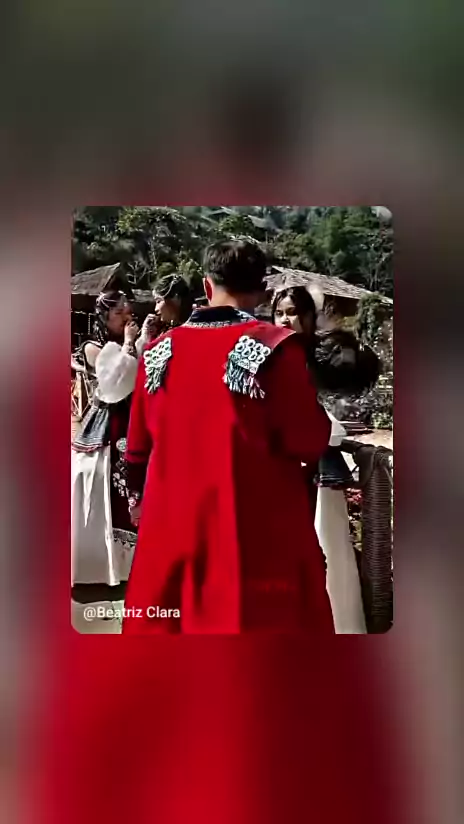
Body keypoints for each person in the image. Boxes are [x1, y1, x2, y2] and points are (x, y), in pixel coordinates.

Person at [122, 240, 333, 634]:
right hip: (252, 533)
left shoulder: (157, 351)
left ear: (206, 285)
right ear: (263, 291)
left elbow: (136, 448)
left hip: (170, 530)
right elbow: (307, 440)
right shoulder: (275, 348)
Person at [272, 286, 379, 634]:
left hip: (317, 463)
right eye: (279, 313)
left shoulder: (322, 355)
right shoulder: (270, 354)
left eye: (292, 312)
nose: (284, 319)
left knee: (323, 541)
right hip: (285, 465)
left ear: (308, 317)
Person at [71, 290, 143, 591]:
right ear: (103, 318)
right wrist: (129, 343)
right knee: (101, 481)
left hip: (132, 420)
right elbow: (115, 386)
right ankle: (99, 564)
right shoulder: (92, 348)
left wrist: (141, 341)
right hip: (106, 424)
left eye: (128, 311)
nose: (127, 317)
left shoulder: (129, 344)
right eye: (118, 313)